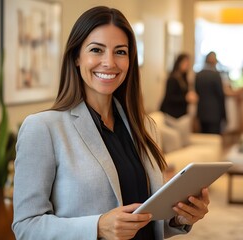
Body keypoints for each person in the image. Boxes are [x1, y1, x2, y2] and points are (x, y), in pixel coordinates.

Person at [12, 6, 209, 240]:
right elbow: (26, 226)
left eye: (120, 52)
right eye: (96, 50)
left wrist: (179, 217)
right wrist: (97, 227)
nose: (109, 62)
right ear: (76, 57)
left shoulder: (144, 127)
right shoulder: (43, 128)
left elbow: (145, 220)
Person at [195, 51, 227, 134]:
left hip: (202, 111)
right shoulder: (216, 75)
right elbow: (220, 95)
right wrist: (224, 114)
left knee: (204, 137)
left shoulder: (199, 74)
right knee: (214, 138)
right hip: (215, 112)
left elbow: (197, 91)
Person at [160, 53, 198, 118]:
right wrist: (186, 98)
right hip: (171, 113)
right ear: (179, 63)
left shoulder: (184, 77)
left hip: (181, 113)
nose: (187, 65)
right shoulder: (173, 78)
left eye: (188, 63)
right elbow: (170, 97)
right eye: (185, 62)